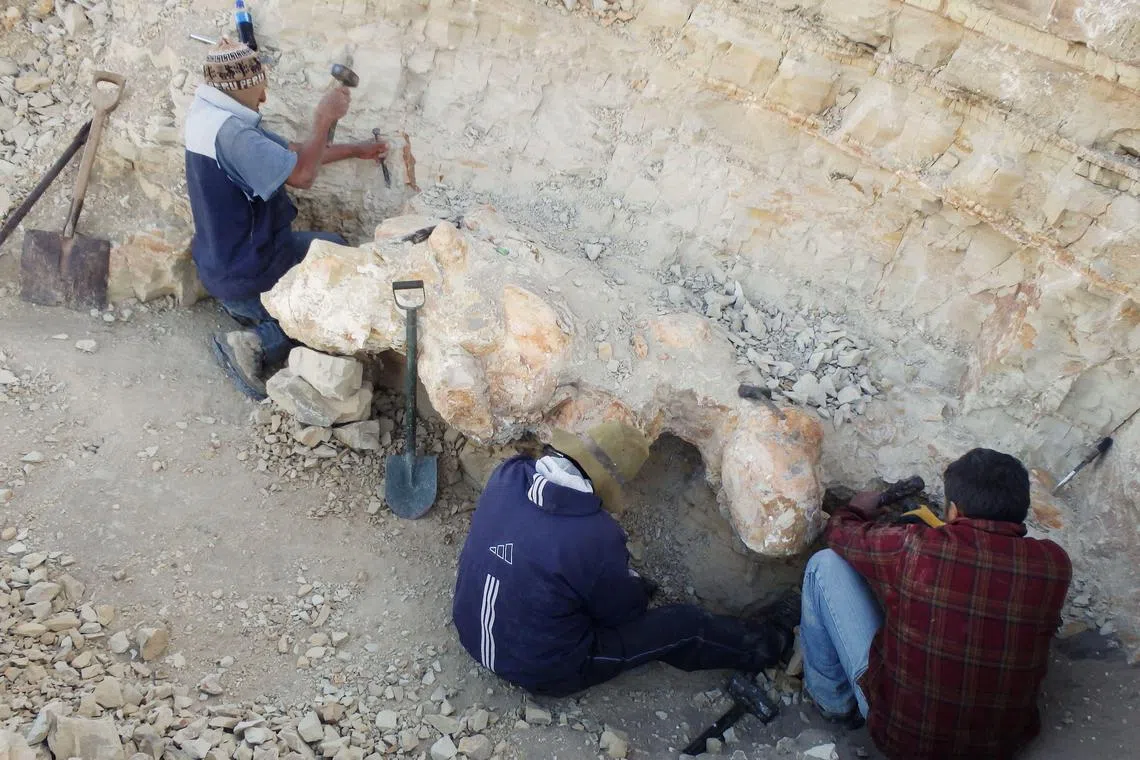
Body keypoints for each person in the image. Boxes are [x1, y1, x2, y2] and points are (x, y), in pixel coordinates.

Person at [451, 421, 800, 697]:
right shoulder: (595, 535)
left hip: (470, 632)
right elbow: (623, 615)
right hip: (544, 671)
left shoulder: (508, 474)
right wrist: (635, 589)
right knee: (683, 625)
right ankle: (773, 644)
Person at [800, 448, 1072, 760]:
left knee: (824, 566)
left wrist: (856, 509)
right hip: (999, 747)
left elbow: (838, 532)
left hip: (903, 742)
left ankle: (834, 704)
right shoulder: (1053, 565)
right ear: (1022, 508)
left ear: (953, 511)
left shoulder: (915, 547)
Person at [184, 40, 387, 400]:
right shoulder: (234, 135)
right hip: (249, 273)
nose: (264, 98)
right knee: (331, 301)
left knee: (336, 250)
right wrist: (323, 119)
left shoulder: (209, 115)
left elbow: (290, 155)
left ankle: (255, 315)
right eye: (260, 88)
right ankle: (255, 341)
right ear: (240, 86)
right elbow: (302, 176)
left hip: (226, 261)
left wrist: (357, 149)